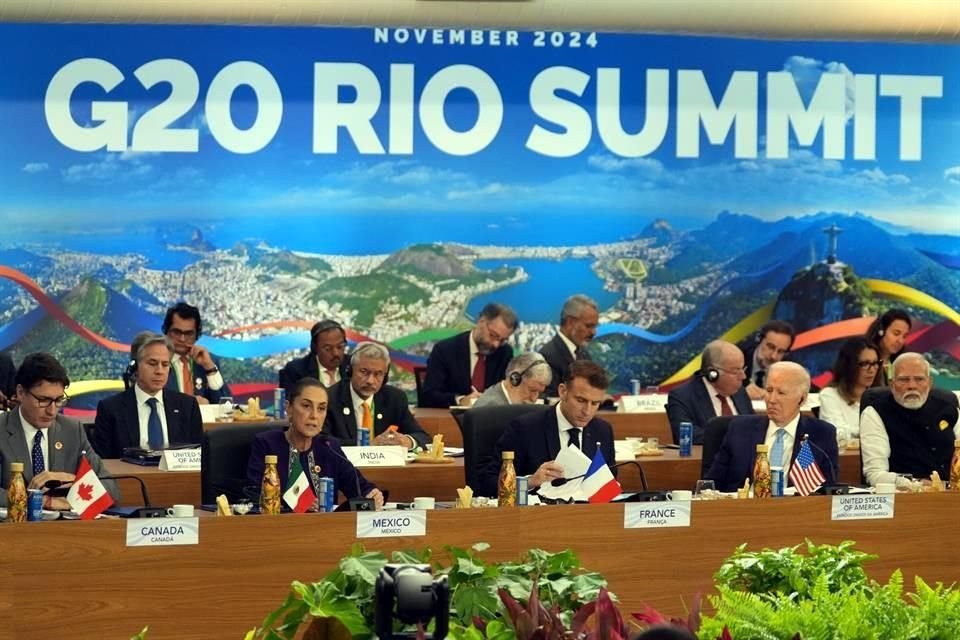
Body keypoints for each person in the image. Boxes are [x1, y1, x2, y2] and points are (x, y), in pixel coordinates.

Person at [0, 353, 119, 509]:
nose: (52, 411)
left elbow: (111, 489)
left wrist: (73, 479)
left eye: (58, 400)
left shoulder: (72, 430)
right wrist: (41, 502)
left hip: (66, 529)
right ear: (21, 393)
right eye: (43, 400)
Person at [480, 360, 616, 497]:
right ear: (563, 391)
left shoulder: (603, 431)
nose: (587, 411)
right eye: (581, 401)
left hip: (589, 515)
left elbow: (609, 485)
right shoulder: (524, 429)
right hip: (537, 515)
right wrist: (531, 482)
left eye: (595, 403)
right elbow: (487, 484)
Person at [246, 377, 384, 511]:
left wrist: (372, 494)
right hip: (278, 529)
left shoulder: (329, 447)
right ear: (289, 408)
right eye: (306, 406)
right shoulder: (267, 444)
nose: (314, 415)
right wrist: (295, 502)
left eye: (321, 408)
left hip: (325, 530)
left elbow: (358, 486)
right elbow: (255, 493)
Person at [705, 361, 838, 492]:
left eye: (781, 393)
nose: (771, 399)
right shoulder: (740, 429)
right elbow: (712, 486)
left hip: (794, 510)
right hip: (744, 509)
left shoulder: (822, 434)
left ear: (801, 399)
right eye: (769, 390)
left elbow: (828, 492)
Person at [92, 332, 203, 458]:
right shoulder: (110, 409)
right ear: (135, 367)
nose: (159, 371)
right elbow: (102, 462)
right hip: (130, 476)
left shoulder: (187, 406)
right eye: (152, 363)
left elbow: (198, 457)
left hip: (177, 477)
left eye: (165, 364)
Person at [859, 353, 959, 488]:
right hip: (902, 498)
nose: (912, 386)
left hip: (951, 495)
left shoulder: (948, 406)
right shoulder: (875, 411)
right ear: (891, 384)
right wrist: (914, 484)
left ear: (930, 383)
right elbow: (875, 473)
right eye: (904, 379)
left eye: (919, 379)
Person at [323, 342, 430, 449]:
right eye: (364, 372)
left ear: (386, 376)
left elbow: (423, 437)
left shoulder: (395, 398)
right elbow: (322, 441)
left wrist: (408, 441)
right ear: (350, 371)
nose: (370, 381)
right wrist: (367, 446)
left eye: (378, 374)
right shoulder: (330, 398)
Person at [421, 303, 517, 408]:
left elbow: (508, 391)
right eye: (493, 335)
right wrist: (461, 400)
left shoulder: (504, 353)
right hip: (451, 419)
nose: (496, 344)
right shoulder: (445, 350)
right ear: (481, 322)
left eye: (502, 340)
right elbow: (429, 395)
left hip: (490, 419)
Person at [666, 340, 754, 445]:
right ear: (713, 373)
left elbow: (753, 427)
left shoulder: (740, 393)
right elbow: (688, 436)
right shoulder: (682, 396)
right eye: (735, 371)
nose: (743, 376)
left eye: (743, 369)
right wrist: (735, 436)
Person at [162, 302, 229, 404]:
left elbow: (226, 405)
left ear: (197, 335)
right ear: (167, 331)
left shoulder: (208, 360)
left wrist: (209, 368)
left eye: (188, 334)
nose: (182, 339)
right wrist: (189, 404)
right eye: (177, 332)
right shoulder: (156, 361)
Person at [818, 337, 880, 443]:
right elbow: (837, 432)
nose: (872, 370)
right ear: (849, 365)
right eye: (865, 364)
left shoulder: (880, 396)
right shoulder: (830, 395)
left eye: (875, 363)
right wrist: (872, 433)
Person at [538, 294, 599, 398]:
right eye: (588, 326)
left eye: (595, 326)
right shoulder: (548, 357)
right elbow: (551, 400)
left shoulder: (583, 354)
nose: (594, 332)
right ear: (570, 322)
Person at [279, 319, 349, 392]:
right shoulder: (296, 371)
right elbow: (289, 401)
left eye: (340, 346)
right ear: (315, 348)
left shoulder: (353, 365)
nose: (336, 353)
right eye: (328, 349)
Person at [472, 352, 552, 409]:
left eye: (539, 393)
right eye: (532, 390)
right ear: (514, 379)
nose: (534, 399)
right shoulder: (489, 408)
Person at [742, 320, 795, 400]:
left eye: (780, 351)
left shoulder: (789, 367)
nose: (774, 356)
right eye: (771, 347)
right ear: (758, 339)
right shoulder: (739, 359)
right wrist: (741, 394)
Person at [864, 309, 911, 387]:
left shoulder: (899, 368)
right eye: (896, 333)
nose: (900, 341)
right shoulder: (862, 359)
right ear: (881, 331)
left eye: (904, 336)